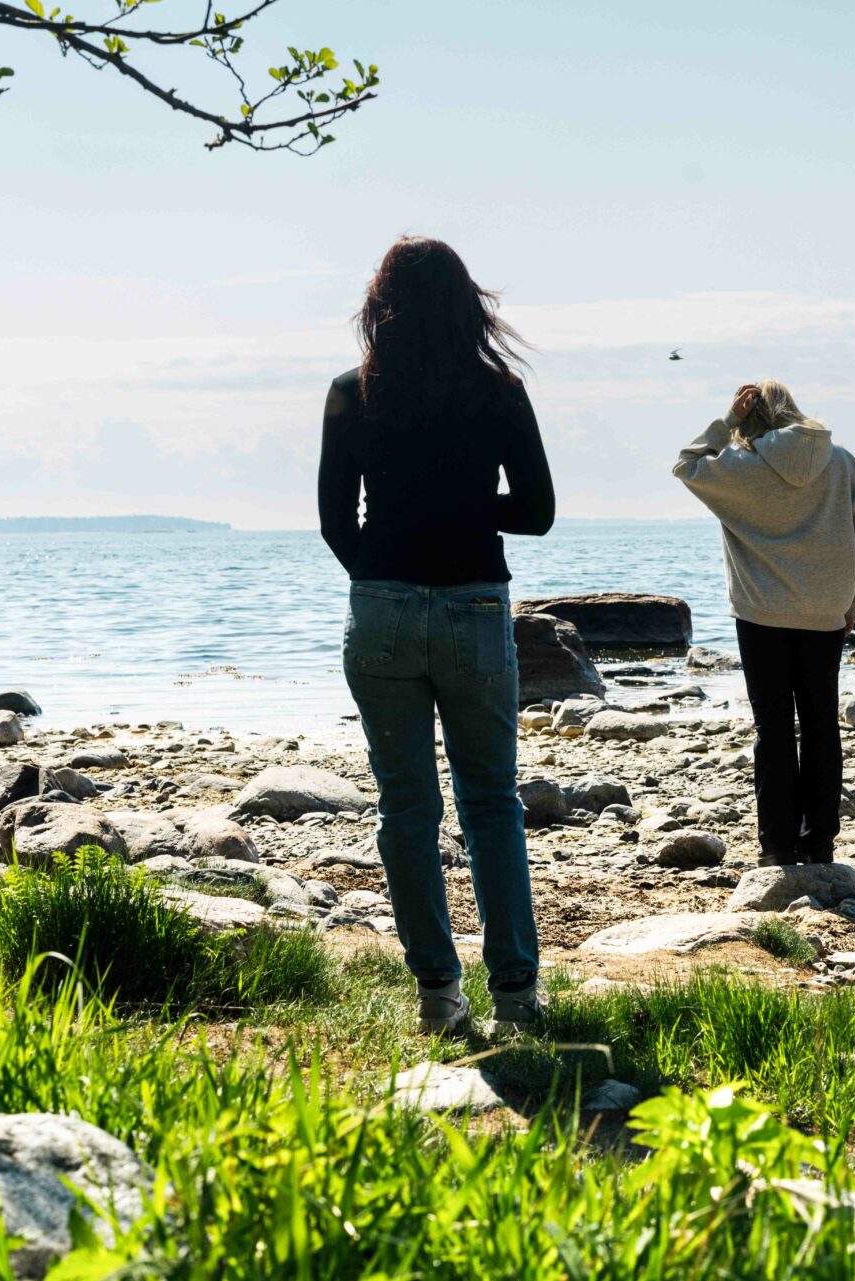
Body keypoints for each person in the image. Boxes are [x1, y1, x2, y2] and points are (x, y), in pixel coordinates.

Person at [318, 236, 554, 1036]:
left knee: (406, 806)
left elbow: (333, 521)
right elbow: (537, 513)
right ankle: (516, 1000)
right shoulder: (499, 393)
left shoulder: (350, 393)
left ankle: (438, 997)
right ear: (468, 305)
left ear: (381, 308)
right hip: (475, 612)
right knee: (491, 803)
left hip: (380, 607)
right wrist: (464, 507)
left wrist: (387, 565)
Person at [672, 381, 855, 867]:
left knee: (775, 728)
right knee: (822, 724)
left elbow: (686, 464)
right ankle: (819, 843)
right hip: (825, 611)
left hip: (761, 612)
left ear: (752, 418)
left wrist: (725, 422)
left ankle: (778, 847)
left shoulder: (739, 467)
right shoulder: (841, 461)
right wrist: (854, 600)